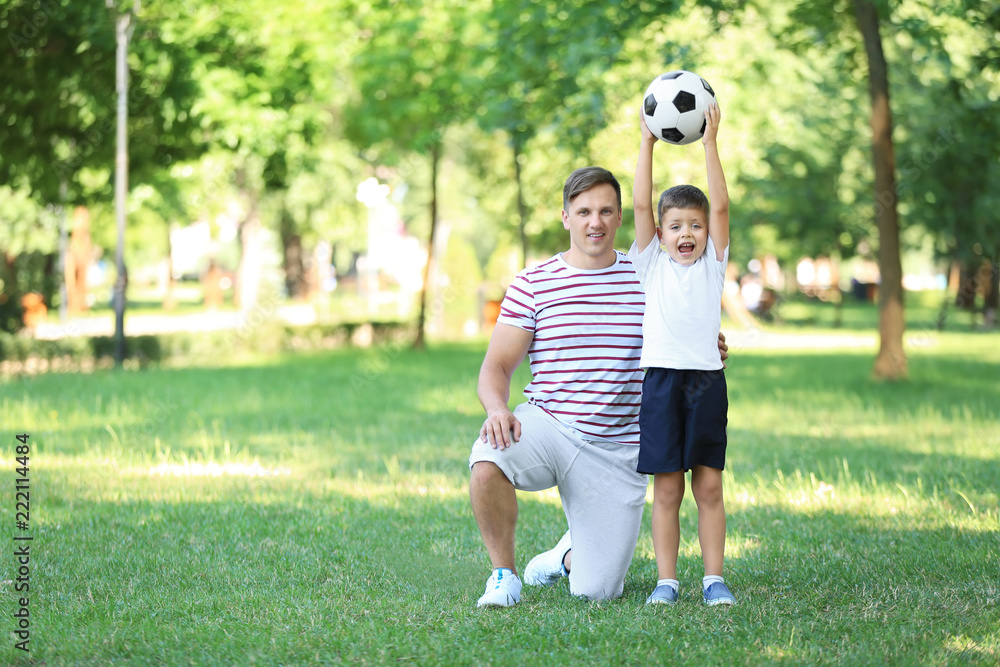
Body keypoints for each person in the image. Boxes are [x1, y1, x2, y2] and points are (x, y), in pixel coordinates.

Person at [468, 166, 728, 607]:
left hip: (621, 446)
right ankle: (504, 575)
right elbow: (495, 366)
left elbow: (686, 321)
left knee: (598, 591)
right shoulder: (533, 283)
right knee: (488, 459)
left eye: (606, 211)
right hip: (548, 425)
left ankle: (568, 554)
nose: (596, 221)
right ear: (566, 216)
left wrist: (707, 345)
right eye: (584, 211)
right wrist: (497, 409)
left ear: (621, 217)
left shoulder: (649, 274)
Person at [629, 103, 736, 606]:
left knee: (708, 487)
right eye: (676, 226)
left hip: (706, 383)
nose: (686, 234)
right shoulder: (649, 264)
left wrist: (710, 145)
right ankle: (666, 581)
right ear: (662, 234)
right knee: (667, 489)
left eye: (693, 226)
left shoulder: (713, 264)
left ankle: (714, 578)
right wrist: (648, 143)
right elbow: (642, 206)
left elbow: (720, 208)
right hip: (661, 384)